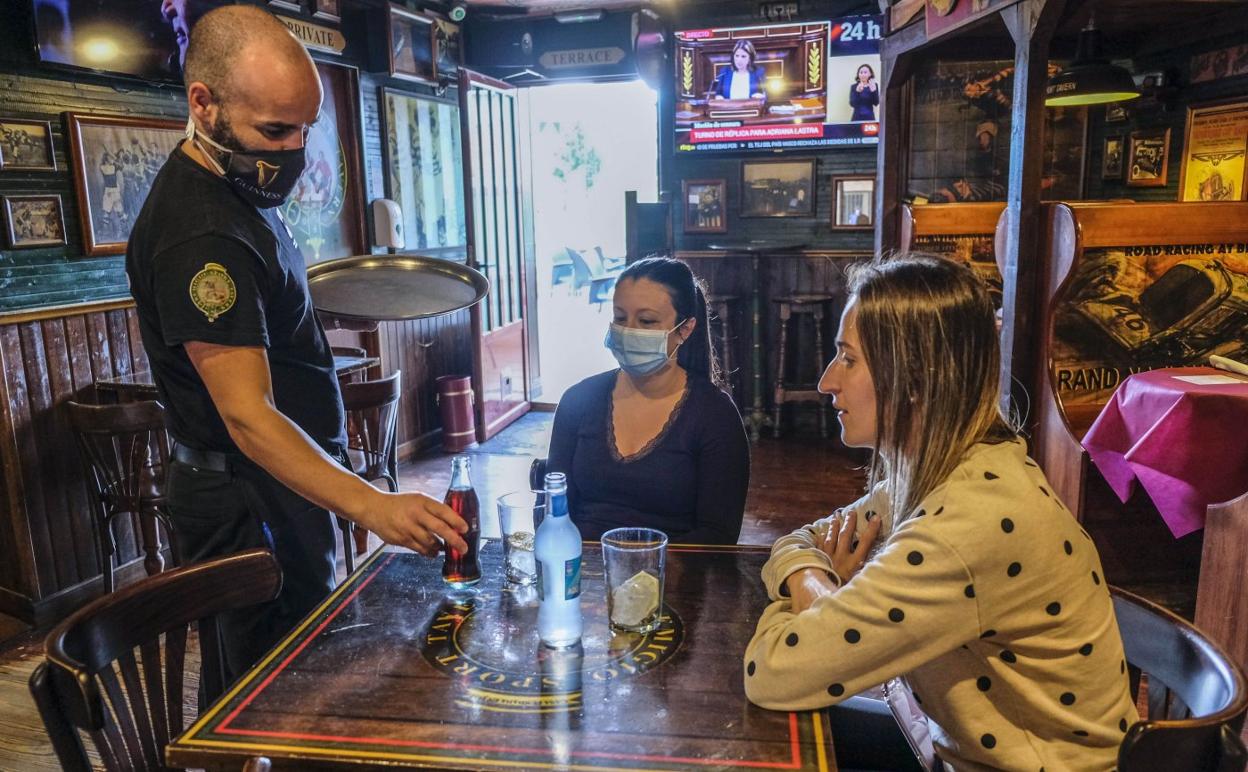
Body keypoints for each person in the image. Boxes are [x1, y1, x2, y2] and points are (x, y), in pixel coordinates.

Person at [125, 5, 468, 686]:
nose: (291, 150)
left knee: (298, 664)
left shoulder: (238, 192)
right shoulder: (205, 235)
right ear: (205, 104)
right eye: (275, 130)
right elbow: (248, 418)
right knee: (267, 693)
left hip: (279, 487)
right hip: (247, 498)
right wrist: (373, 503)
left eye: (304, 129)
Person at [743, 255, 1137, 770]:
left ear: (914, 376)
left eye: (848, 359)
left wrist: (810, 603)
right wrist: (819, 589)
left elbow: (771, 671)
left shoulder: (970, 523)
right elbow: (796, 542)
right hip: (938, 739)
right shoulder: (944, 470)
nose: (825, 382)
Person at [547, 257, 749, 544]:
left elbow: (717, 535)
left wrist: (640, 569)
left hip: (672, 577)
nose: (629, 330)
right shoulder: (577, 401)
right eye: (620, 318)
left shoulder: (714, 416)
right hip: (583, 571)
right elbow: (553, 509)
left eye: (647, 321)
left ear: (685, 329)